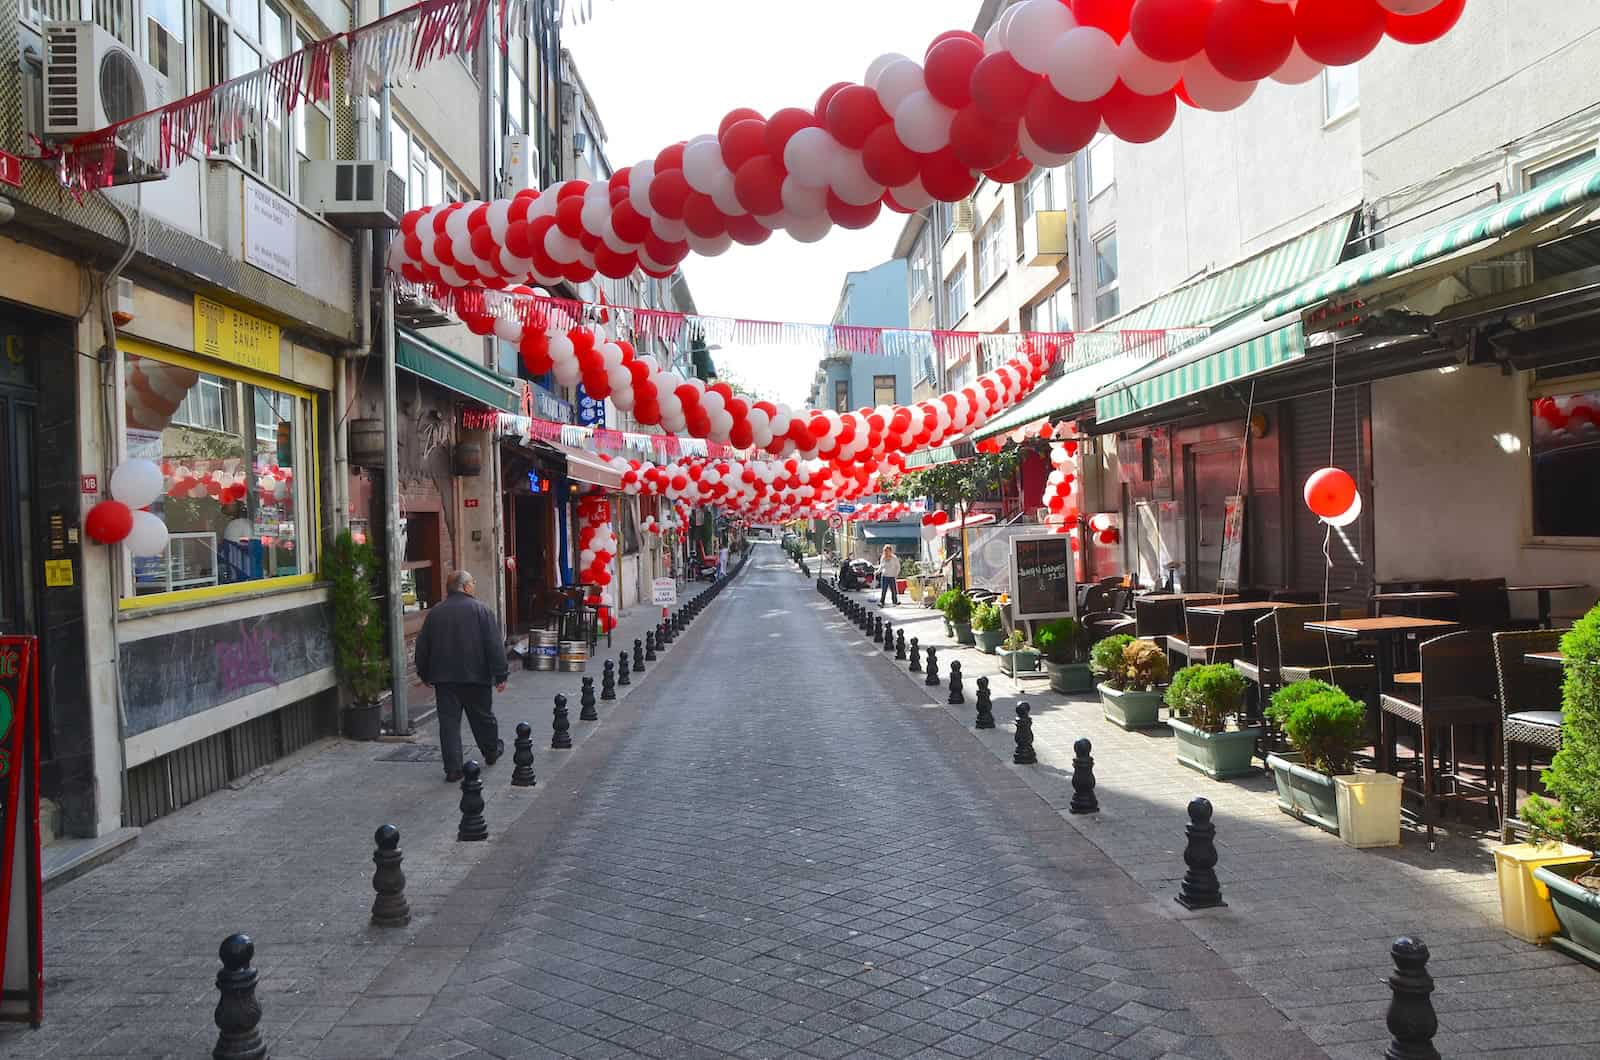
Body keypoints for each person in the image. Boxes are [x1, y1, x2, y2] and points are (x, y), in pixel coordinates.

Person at [414, 569, 509, 783]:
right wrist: (500, 674)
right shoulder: (481, 610)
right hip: (476, 676)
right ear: (465, 587)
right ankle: (491, 751)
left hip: (445, 678)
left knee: (448, 723)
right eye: (473, 582)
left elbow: (422, 646)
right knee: (483, 717)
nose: (474, 585)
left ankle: (453, 768)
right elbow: (494, 646)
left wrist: (424, 673)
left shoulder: (435, 612)